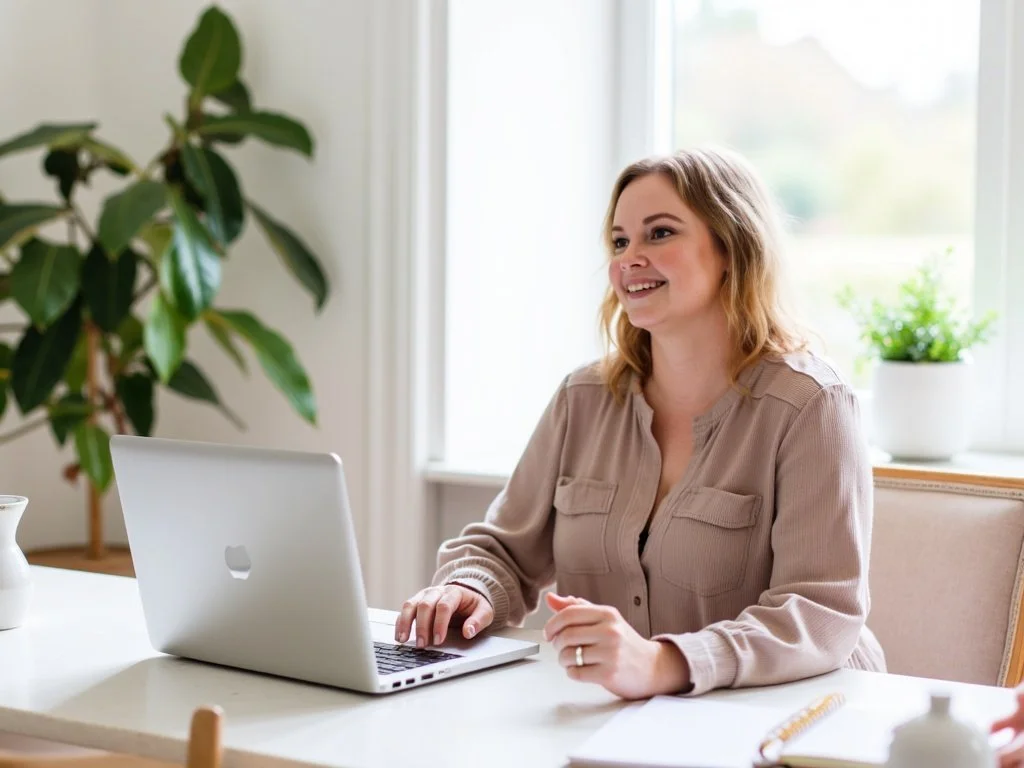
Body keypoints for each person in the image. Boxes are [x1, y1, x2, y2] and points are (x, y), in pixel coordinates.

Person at [395, 146, 887, 699]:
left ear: (731, 248)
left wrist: (666, 662)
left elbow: (820, 611)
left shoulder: (812, 406)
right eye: (620, 241)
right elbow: (504, 551)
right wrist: (470, 588)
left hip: (796, 716)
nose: (630, 258)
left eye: (660, 234)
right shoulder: (584, 399)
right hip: (613, 717)